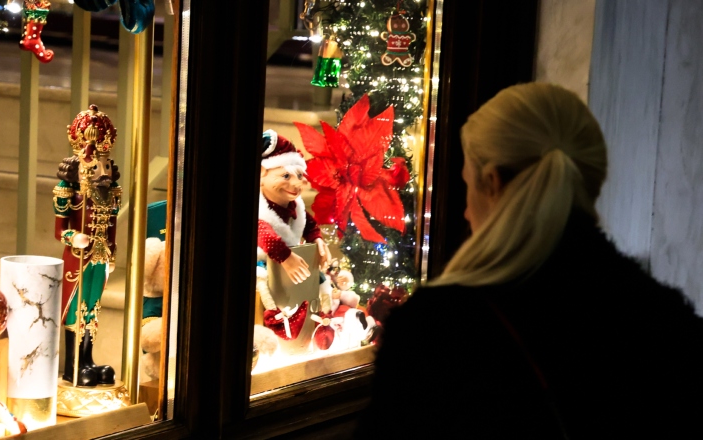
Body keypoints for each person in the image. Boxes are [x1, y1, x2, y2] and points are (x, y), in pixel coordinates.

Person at [354, 83, 703, 438]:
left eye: (468, 187)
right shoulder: (666, 322)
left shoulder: (437, 333)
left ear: (492, 183)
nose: (465, 211)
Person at [53, 104, 122, 386]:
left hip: (101, 258)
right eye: (97, 167)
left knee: (93, 310)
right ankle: (72, 366)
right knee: (75, 309)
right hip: (78, 258)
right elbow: (60, 230)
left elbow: (113, 227)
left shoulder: (109, 195)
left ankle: (88, 359)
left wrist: (113, 250)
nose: (103, 172)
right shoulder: (68, 192)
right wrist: (73, 238)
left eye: (106, 166)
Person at [255, 129, 333, 344]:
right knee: (262, 284)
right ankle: (276, 321)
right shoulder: (259, 208)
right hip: (262, 263)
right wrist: (285, 256)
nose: (297, 184)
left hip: (290, 266)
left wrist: (317, 240)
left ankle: (323, 319)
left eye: (299, 176)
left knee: (320, 280)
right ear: (262, 174)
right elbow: (264, 234)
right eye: (286, 176)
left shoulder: (294, 206)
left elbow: (309, 224)